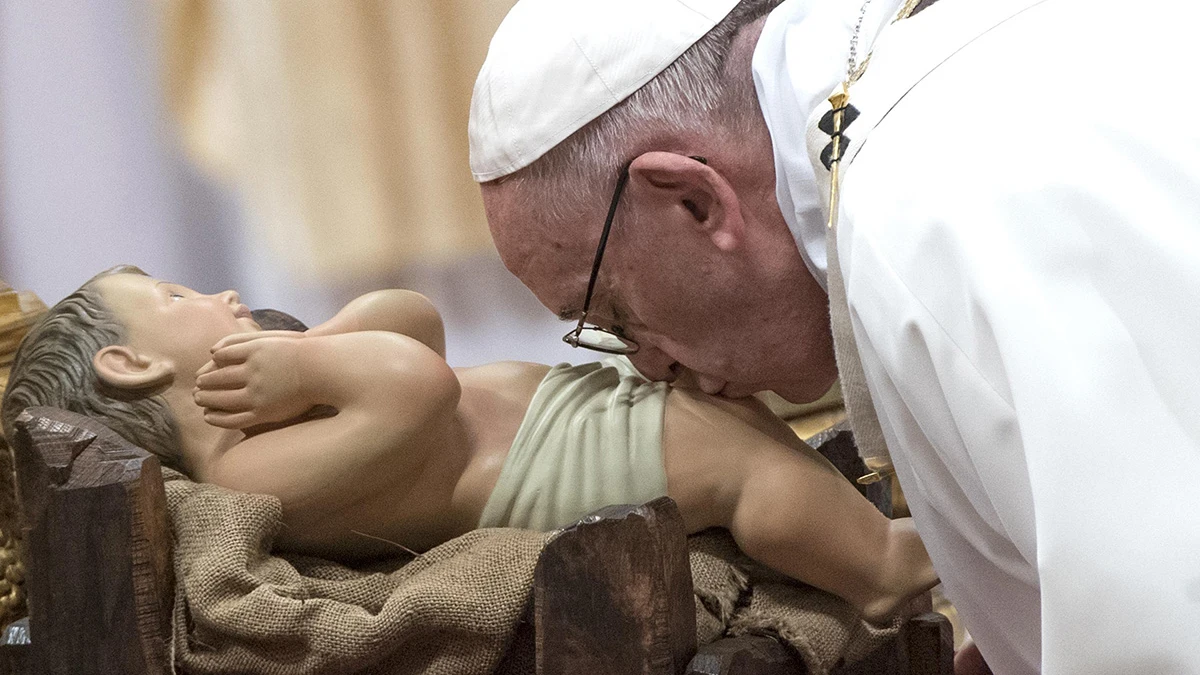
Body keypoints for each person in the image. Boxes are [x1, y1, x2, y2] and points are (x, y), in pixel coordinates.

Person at [469, 0, 1200, 672]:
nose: (652, 365)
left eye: (616, 315)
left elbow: (1163, 618)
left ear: (693, 199)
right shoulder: (947, 81)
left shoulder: (922, 214)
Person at [1, 266, 937, 622]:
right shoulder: (245, 471)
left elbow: (415, 322)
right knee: (744, 470)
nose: (218, 297)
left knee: (729, 400)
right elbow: (420, 385)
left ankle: (882, 487)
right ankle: (882, 570)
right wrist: (318, 369)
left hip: (562, 415)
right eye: (177, 300)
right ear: (129, 365)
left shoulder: (290, 397)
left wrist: (313, 351)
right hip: (551, 471)